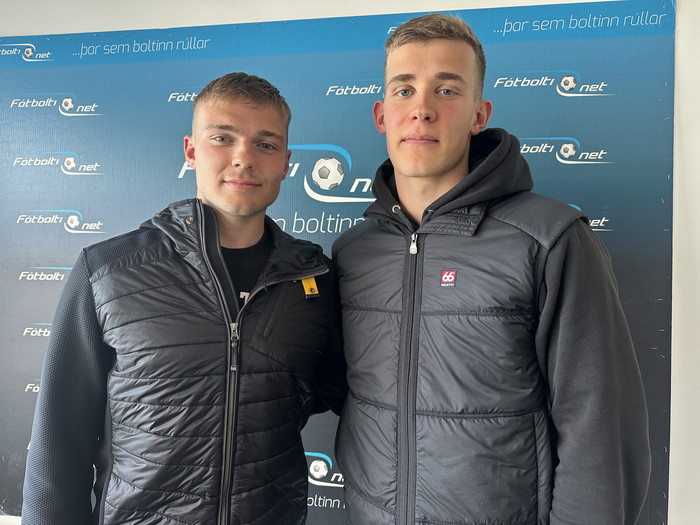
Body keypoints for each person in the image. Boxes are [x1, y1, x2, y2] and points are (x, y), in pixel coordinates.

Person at [333, 13, 651, 525]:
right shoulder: (354, 250)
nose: (421, 109)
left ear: (479, 114)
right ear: (381, 114)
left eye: (446, 90)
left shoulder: (549, 239)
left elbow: (598, 425)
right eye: (404, 90)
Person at [22, 72, 346, 525]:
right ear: (191, 151)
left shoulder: (314, 277)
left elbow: (337, 394)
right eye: (223, 138)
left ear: (286, 163)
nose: (243, 158)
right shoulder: (108, 270)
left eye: (265, 144)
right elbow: (59, 441)